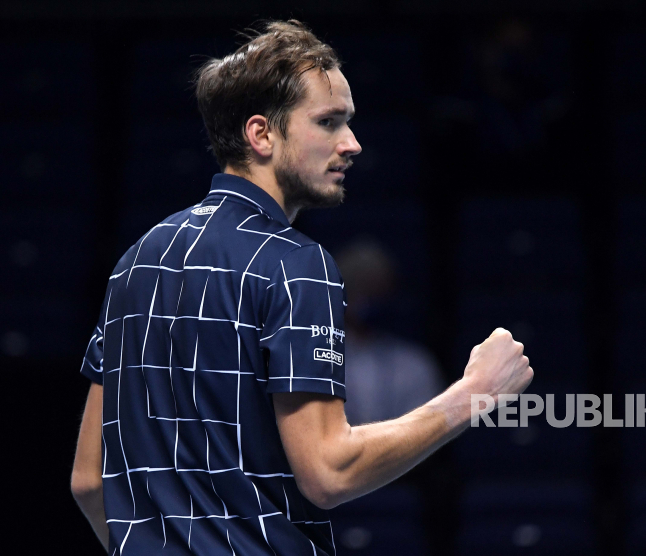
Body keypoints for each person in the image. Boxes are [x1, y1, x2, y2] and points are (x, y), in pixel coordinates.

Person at [70, 20, 533, 555]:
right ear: (261, 134)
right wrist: (472, 395)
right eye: (328, 122)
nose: (352, 144)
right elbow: (330, 472)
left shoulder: (137, 261)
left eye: (349, 122)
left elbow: (88, 479)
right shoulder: (296, 264)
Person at [334, 239, 444, 425]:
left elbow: (426, 432)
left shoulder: (416, 365)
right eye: (357, 286)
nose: (364, 299)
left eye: (373, 289)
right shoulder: (315, 360)